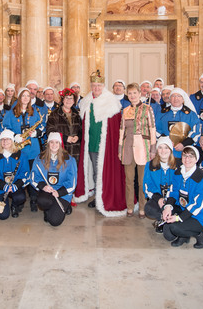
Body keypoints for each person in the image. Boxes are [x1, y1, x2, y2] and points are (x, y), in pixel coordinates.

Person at [75, 70, 126, 217]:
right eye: (94, 85)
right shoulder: (86, 101)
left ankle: (103, 198)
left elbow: (116, 128)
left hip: (105, 147)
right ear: (91, 86)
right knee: (96, 172)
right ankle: (98, 196)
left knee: (104, 172)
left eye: (99, 85)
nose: (96, 88)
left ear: (103, 85)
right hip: (91, 145)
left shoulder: (111, 103)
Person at [162, 146, 203, 249]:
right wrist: (167, 207)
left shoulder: (202, 178)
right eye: (185, 155)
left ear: (196, 159)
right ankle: (184, 236)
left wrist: (178, 218)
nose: (187, 159)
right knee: (168, 230)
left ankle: (200, 234)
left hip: (201, 215)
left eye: (191, 156)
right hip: (184, 209)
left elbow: (197, 205)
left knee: (174, 227)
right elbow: (174, 192)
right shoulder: (178, 173)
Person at [119, 83, 157, 217]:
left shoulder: (148, 109)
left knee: (142, 181)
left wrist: (153, 149)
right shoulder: (125, 110)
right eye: (130, 93)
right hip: (128, 149)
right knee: (129, 180)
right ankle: (130, 207)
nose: (132, 96)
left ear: (140, 94)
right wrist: (120, 149)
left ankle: (142, 207)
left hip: (144, 149)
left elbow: (152, 129)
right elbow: (122, 131)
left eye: (135, 93)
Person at [2, 88, 43, 211]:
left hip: (33, 148)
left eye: (27, 96)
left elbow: (42, 127)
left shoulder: (35, 111)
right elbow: (5, 127)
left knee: (32, 173)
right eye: (23, 96)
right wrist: (14, 136)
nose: (25, 98)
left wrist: (37, 133)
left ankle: (34, 199)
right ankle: (17, 201)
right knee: (19, 173)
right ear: (19, 97)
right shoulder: (11, 112)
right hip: (18, 149)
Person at [31, 133, 77, 226]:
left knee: (55, 221)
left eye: (57, 142)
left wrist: (59, 192)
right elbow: (33, 177)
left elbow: (72, 182)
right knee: (42, 201)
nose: (54, 145)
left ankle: (64, 206)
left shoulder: (69, 160)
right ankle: (47, 210)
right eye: (51, 142)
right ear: (48, 144)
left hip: (62, 193)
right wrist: (43, 186)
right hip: (48, 191)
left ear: (60, 144)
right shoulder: (39, 159)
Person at [0, 130, 29, 219]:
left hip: (15, 186)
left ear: (12, 141)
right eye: (2, 139)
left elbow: (25, 174)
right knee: (2, 216)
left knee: (20, 197)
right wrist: (3, 186)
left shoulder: (22, 155)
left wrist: (16, 185)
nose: (5, 141)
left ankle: (14, 206)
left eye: (8, 139)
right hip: (0, 188)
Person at [143, 137, 177, 232]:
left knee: (169, 235)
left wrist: (169, 204)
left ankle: (168, 220)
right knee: (148, 209)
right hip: (158, 198)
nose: (163, 151)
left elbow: (179, 187)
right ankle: (164, 219)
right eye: (160, 147)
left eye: (166, 147)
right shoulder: (150, 165)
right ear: (157, 150)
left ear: (170, 149)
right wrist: (159, 198)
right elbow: (146, 186)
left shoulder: (178, 165)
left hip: (173, 200)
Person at [155, 88, 200, 159]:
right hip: (165, 152)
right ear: (170, 99)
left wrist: (183, 144)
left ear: (183, 99)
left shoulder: (191, 114)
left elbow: (196, 132)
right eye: (173, 96)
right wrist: (166, 142)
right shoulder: (162, 113)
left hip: (184, 153)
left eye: (179, 96)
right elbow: (157, 130)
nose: (175, 98)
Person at [46, 88, 82, 163]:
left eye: (71, 98)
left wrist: (78, 136)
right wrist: (65, 138)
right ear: (63, 100)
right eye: (66, 98)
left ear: (74, 100)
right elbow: (50, 131)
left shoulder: (78, 114)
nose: (69, 100)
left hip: (76, 151)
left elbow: (82, 130)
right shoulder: (54, 114)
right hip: (61, 149)